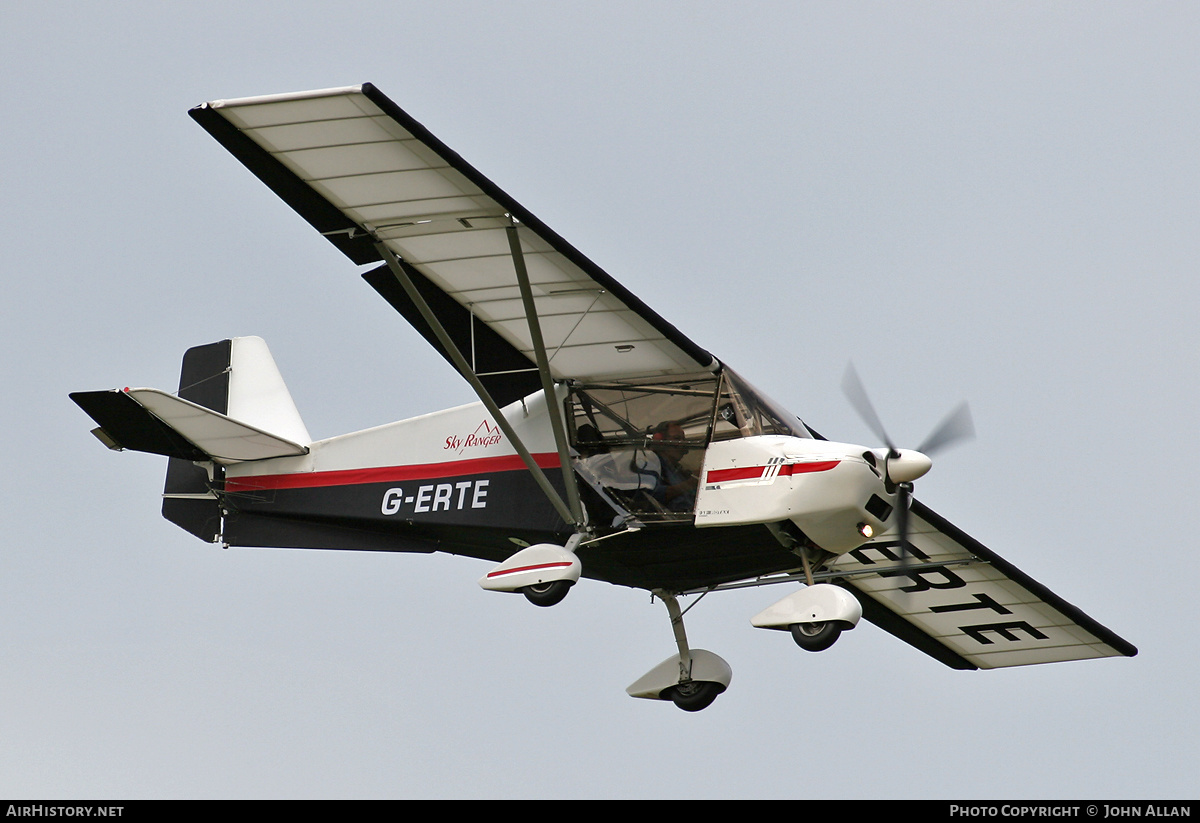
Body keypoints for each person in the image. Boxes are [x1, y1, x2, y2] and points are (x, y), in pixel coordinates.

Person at [646, 421, 698, 512]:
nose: (682, 444)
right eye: (677, 438)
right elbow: (656, 494)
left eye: (683, 440)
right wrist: (692, 482)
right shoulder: (651, 464)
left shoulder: (678, 469)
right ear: (660, 441)